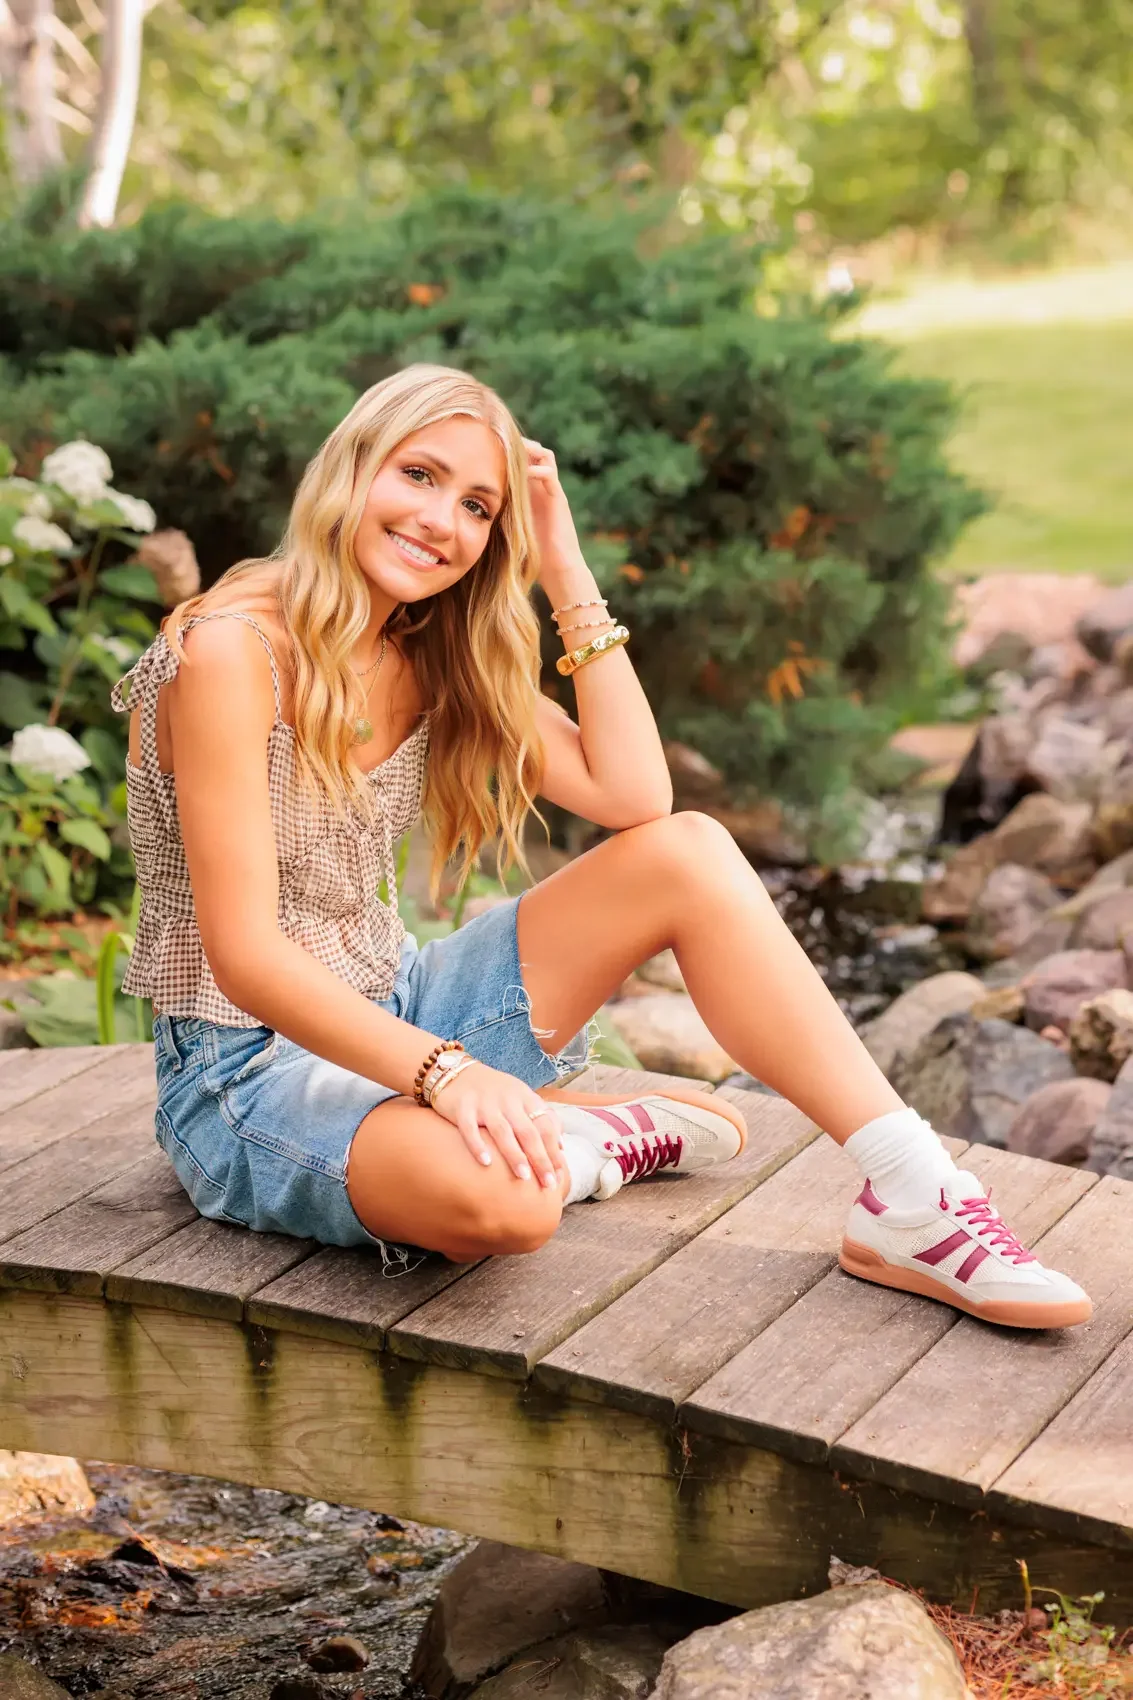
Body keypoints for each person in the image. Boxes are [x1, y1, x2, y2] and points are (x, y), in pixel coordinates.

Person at [112, 363, 1092, 1330]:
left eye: (477, 506)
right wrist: (448, 1073)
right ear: (351, 465)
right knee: (510, 1207)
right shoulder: (230, 653)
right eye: (417, 474)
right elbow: (242, 953)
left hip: (403, 1011)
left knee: (690, 850)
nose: (440, 520)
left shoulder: (424, 647)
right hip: (243, 1075)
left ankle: (914, 1196)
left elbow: (636, 796)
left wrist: (564, 566)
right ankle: (576, 1143)